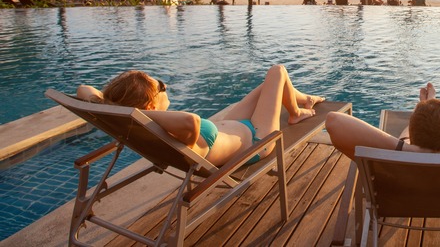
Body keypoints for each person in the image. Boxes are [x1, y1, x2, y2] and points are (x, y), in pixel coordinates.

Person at [76, 65, 323, 167]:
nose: (166, 87)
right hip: (256, 141)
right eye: (160, 85)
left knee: (267, 86)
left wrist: (115, 106)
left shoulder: (147, 122)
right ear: (149, 106)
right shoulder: (176, 126)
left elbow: (84, 89)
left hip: (228, 129)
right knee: (277, 72)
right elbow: (192, 121)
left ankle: (303, 100)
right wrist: (136, 112)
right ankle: (296, 113)